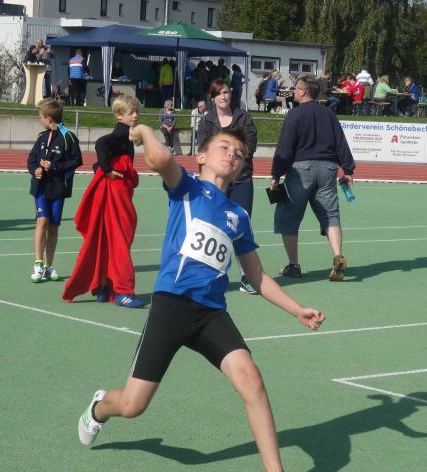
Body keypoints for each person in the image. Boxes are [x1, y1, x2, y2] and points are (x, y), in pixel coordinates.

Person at [76, 124, 325, 472]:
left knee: (251, 379)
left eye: (239, 155)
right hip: (172, 305)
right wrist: (144, 130)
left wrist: (296, 310)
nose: (233, 155)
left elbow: (257, 275)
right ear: (202, 157)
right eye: (225, 148)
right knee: (133, 406)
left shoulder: (238, 217)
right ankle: (100, 407)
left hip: (211, 314)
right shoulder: (187, 187)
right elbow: (159, 159)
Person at [270, 76, 356, 281]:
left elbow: (285, 146)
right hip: (327, 168)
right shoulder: (329, 114)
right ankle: (338, 256)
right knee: (331, 215)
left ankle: (293, 265)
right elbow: (340, 142)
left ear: (302, 91)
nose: (293, 91)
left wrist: (276, 174)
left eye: (295, 89)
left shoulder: (295, 114)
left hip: (301, 170)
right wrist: (348, 169)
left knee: (288, 216)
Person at [62, 95, 144, 308]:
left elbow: (105, 153)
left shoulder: (125, 134)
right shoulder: (121, 133)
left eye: (137, 111)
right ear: (119, 115)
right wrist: (106, 169)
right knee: (119, 239)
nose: (136, 115)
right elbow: (101, 143)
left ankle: (102, 286)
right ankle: (123, 291)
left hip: (114, 192)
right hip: (114, 193)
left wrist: (101, 167)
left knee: (106, 239)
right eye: (131, 112)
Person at [196, 79, 259, 294]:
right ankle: (208, 275)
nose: (224, 96)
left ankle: (247, 277)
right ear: (212, 98)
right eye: (219, 93)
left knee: (242, 227)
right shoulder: (206, 121)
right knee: (211, 226)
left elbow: (250, 146)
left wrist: (225, 153)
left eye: (226, 92)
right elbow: (204, 149)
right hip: (214, 182)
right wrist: (229, 154)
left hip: (241, 180)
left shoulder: (244, 118)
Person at [27, 98, 83, 283]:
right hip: (41, 187)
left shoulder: (68, 137)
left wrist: (55, 166)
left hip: (58, 188)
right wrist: (34, 169)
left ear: (48, 118)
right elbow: (32, 158)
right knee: (42, 220)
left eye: (40, 116)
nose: (39, 119)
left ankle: (48, 266)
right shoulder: (41, 136)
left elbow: (76, 160)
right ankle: (37, 263)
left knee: (53, 227)